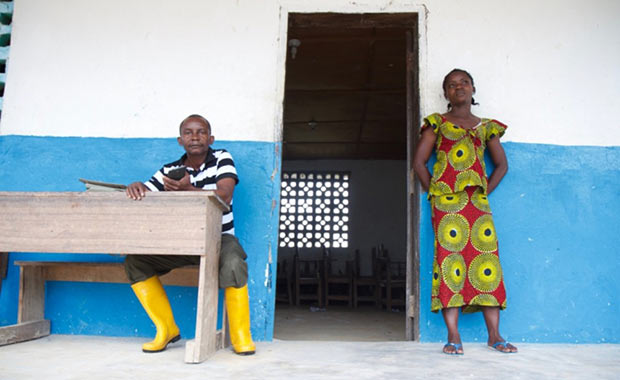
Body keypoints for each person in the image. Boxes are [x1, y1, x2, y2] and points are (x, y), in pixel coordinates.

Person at [124, 114, 255, 355]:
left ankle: (240, 336)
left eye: (201, 132)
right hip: (183, 243)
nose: (194, 137)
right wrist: (137, 186)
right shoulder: (169, 170)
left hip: (219, 239)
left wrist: (188, 190)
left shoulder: (222, 159)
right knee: (135, 261)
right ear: (179, 140)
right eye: (188, 133)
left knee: (235, 262)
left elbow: (224, 196)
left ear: (211, 138)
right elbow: (146, 192)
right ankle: (167, 329)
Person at [413, 69, 518, 355]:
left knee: (487, 264)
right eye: (452, 85)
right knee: (450, 264)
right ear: (445, 93)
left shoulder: (486, 127)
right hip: (446, 206)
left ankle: (494, 334)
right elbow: (419, 162)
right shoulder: (437, 124)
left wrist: (484, 192)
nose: (459, 87)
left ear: (473, 89)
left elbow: (502, 166)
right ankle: (453, 335)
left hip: (478, 207)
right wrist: (435, 194)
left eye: (464, 83)